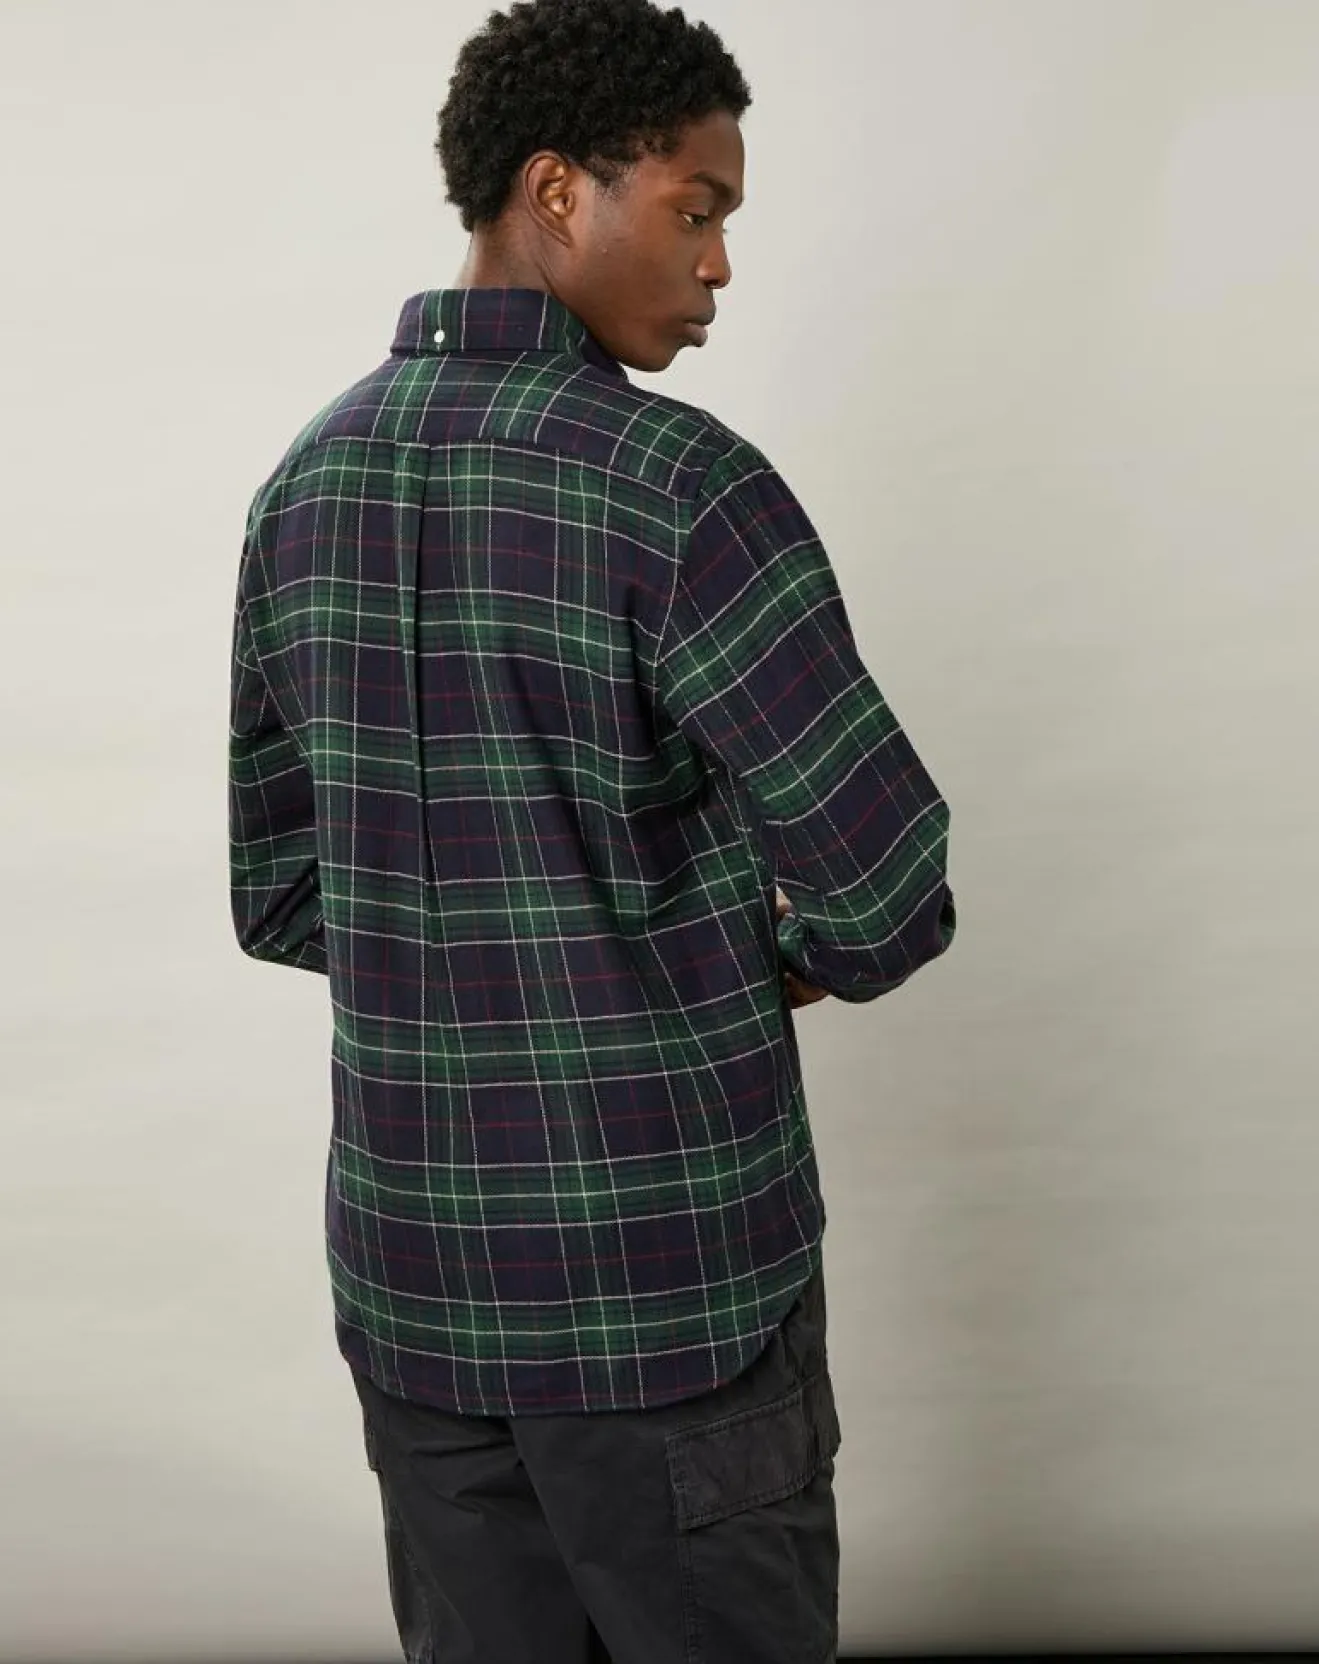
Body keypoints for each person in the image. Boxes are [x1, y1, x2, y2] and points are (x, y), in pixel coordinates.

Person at [227, 0, 956, 1656]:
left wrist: (471, 944)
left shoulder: (304, 486)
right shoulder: (680, 489)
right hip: (668, 1293)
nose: (717, 265)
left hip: (419, 1295)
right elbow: (885, 891)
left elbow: (279, 893)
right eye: (697, 209)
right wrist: (732, 953)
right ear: (557, 189)